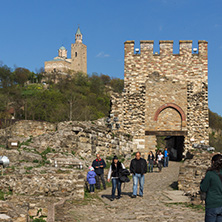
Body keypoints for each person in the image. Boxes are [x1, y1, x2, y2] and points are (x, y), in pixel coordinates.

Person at [200, 154, 222, 222]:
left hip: (212, 204)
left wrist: (202, 181)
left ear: (213, 162)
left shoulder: (210, 174)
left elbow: (203, 188)